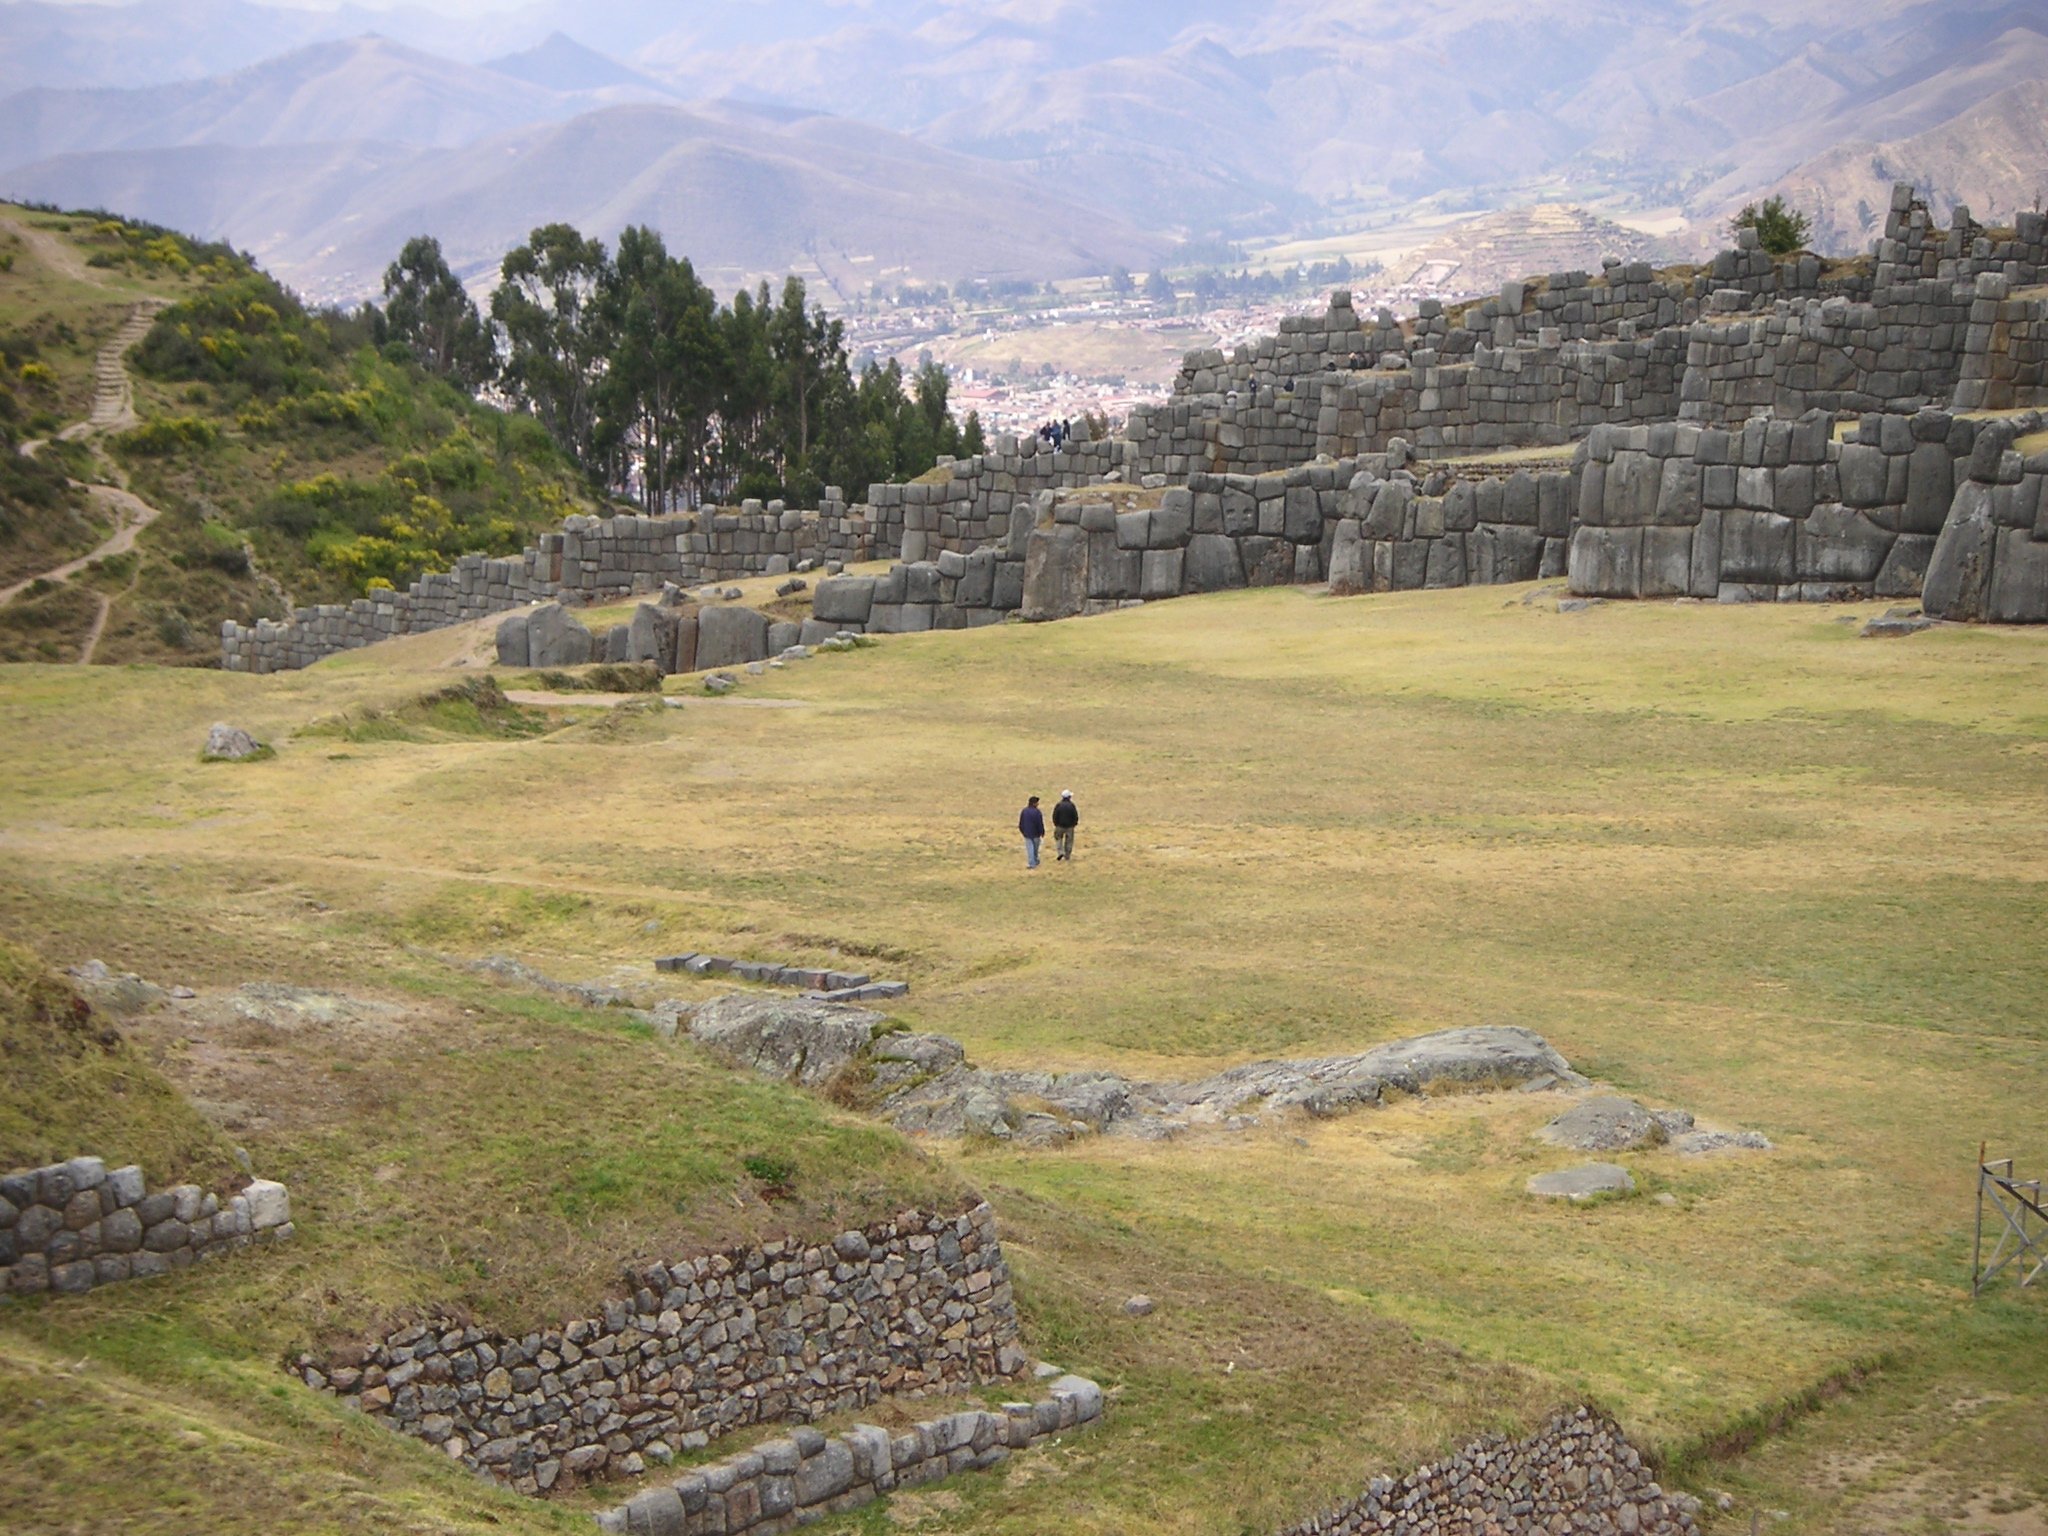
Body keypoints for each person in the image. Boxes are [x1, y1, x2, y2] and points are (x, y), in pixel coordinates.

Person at [1052, 789, 1079, 861]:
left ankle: (1060, 852)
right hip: (1070, 827)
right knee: (1069, 841)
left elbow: (1055, 815)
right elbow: (1075, 816)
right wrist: (1074, 823)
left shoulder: (1058, 805)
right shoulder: (1071, 805)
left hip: (1059, 826)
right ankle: (1067, 856)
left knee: (1058, 839)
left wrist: (1056, 823)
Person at [1018, 796, 1045, 869]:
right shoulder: (1037, 812)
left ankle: (1033, 862)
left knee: (1030, 848)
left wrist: (1023, 831)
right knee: (1035, 848)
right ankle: (1033, 862)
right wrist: (1042, 832)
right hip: (1036, 833)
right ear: (1034, 803)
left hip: (1027, 833)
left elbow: (1021, 823)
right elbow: (1040, 823)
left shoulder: (1024, 811)